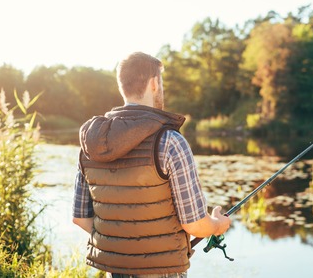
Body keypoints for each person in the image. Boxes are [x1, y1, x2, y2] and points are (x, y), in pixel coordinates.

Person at [72, 52, 231, 277]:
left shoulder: (90, 143)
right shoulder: (170, 142)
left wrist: (124, 245)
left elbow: (80, 217)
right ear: (154, 83)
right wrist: (217, 224)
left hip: (115, 272)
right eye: (161, 82)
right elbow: (195, 225)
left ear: (122, 86)